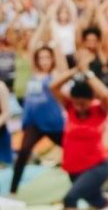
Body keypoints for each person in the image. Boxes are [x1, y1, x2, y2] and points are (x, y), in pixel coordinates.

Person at [51, 51, 108, 210]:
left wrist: (87, 73)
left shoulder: (99, 111)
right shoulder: (70, 108)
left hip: (96, 166)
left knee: (70, 199)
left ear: (91, 100)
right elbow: (54, 86)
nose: (79, 107)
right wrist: (74, 71)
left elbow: (105, 95)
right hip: (73, 168)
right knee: (97, 201)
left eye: (83, 104)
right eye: (76, 103)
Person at [11, 43, 67, 194]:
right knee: (23, 153)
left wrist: (52, 26)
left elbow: (62, 67)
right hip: (34, 124)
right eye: (41, 58)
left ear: (52, 59)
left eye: (47, 57)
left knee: (70, 150)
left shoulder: (55, 75)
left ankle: (81, 181)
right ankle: (13, 190)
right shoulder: (33, 74)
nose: (44, 61)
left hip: (53, 124)